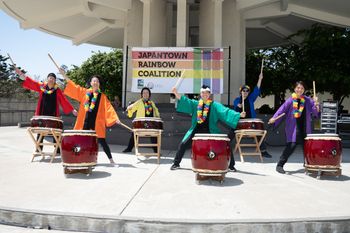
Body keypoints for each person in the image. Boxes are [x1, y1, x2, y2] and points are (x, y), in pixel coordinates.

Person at [170, 85, 245, 171]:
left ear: (209, 94)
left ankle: (231, 166)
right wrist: (176, 93)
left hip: (211, 130)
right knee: (183, 144)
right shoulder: (196, 104)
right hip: (196, 129)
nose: (205, 94)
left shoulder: (214, 105)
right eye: (203, 92)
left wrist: (239, 115)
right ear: (200, 94)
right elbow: (186, 101)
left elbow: (225, 111)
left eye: (206, 93)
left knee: (225, 143)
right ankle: (176, 163)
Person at [61, 71, 120, 164]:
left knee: (102, 142)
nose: (95, 82)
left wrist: (115, 118)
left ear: (99, 84)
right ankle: (79, 160)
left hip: (96, 123)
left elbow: (109, 108)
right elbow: (74, 86)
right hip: (84, 122)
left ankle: (111, 160)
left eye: (97, 81)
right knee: (80, 141)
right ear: (91, 83)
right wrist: (64, 75)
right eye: (94, 81)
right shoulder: (84, 93)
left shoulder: (102, 97)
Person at [16, 68, 77, 153]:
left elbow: (64, 100)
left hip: (53, 114)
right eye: (50, 78)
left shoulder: (57, 90)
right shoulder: (41, 87)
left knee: (56, 132)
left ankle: (57, 149)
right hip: (42, 114)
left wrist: (72, 109)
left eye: (53, 78)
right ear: (47, 79)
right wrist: (21, 75)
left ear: (55, 80)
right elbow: (32, 82)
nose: (51, 79)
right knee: (40, 132)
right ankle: (39, 149)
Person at [268, 81, 320, 174]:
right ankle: (280, 165)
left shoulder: (308, 100)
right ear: (295, 89)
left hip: (305, 127)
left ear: (304, 90)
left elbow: (315, 112)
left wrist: (317, 104)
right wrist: (274, 118)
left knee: (307, 147)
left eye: (302, 88)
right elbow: (281, 110)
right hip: (293, 128)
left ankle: (308, 165)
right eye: (298, 88)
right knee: (291, 146)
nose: (299, 90)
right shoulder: (291, 100)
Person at [232, 70, 272, 158]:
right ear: (241, 92)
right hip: (239, 123)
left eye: (247, 91)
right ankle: (224, 146)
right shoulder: (237, 100)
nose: (245, 92)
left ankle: (263, 151)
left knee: (260, 131)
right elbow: (236, 107)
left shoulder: (251, 99)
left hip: (250, 122)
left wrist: (260, 79)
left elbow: (256, 90)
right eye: (243, 90)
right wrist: (239, 106)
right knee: (231, 131)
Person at [123, 87, 160, 153]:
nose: (145, 94)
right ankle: (129, 148)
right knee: (134, 135)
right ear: (142, 94)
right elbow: (133, 107)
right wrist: (129, 108)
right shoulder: (139, 102)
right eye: (144, 93)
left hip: (150, 124)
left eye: (147, 93)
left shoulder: (152, 103)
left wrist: (157, 117)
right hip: (141, 123)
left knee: (154, 136)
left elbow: (156, 111)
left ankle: (156, 151)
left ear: (149, 94)